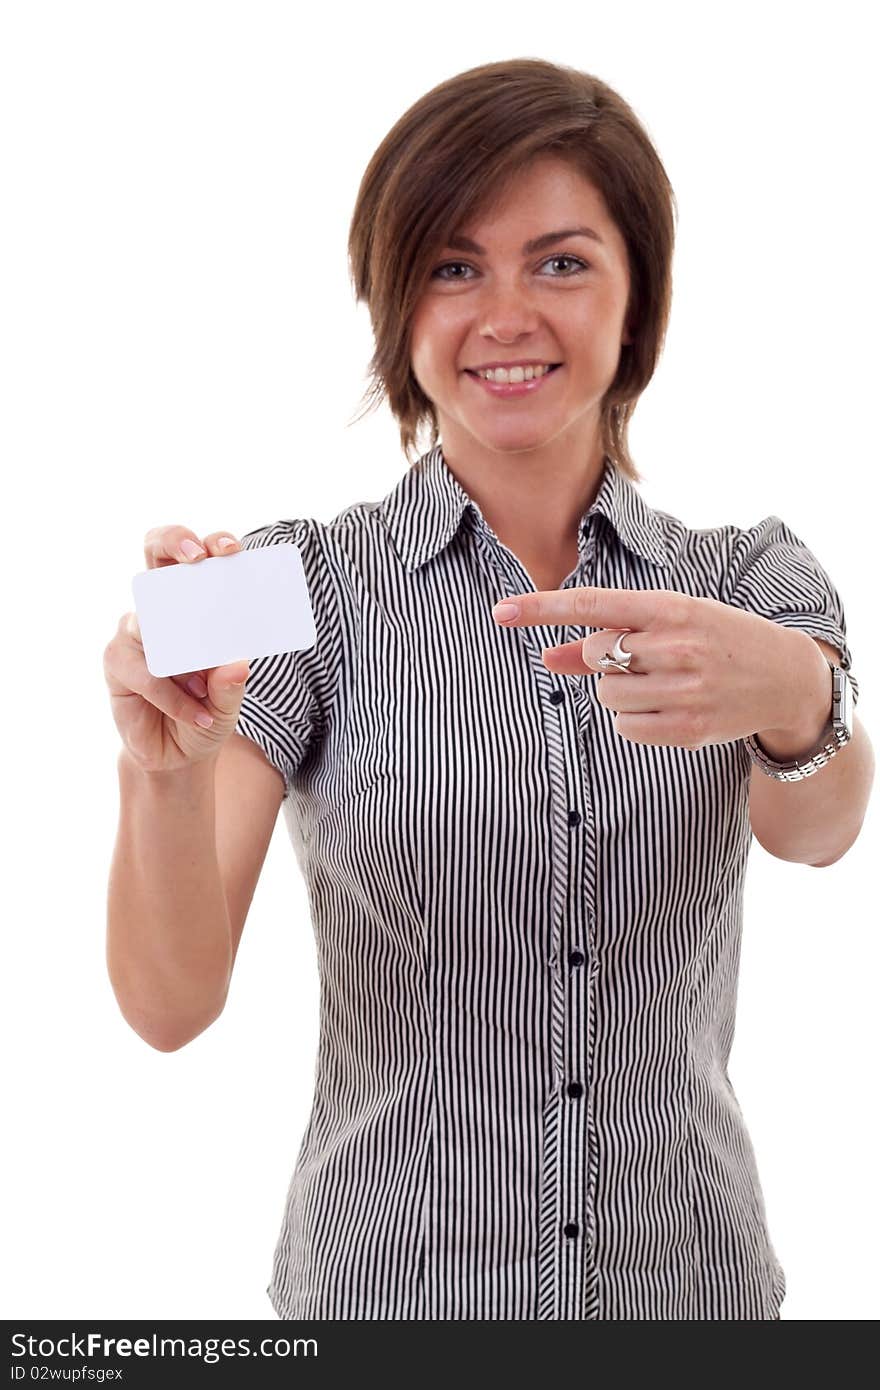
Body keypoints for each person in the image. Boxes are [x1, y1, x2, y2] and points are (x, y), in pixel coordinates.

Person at [103, 58, 874, 1321]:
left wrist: (793, 690)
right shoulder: (282, 584)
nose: (506, 313)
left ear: (639, 303)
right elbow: (168, 1005)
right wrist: (159, 769)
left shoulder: (747, 575)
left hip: (686, 1297)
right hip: (384, 1303)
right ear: (397, 309)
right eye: (454, 268)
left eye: (561, 262)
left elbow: (819, 827)